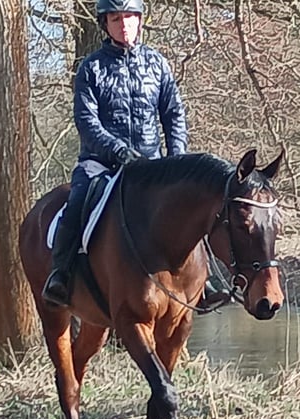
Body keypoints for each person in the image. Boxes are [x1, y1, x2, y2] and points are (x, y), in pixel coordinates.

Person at [42, 0, 188, 307]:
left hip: (151, 165)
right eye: (116, 18)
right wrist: (118, 150)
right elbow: (87, 122)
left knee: (192, 205)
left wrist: (177, 159)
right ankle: (61, 275)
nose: (124, 24)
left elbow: (174, 114)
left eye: (129, 17)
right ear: (105, 24)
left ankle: (204, 281)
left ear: (140, 20)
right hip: (101, 164)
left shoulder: (158, 64)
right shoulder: (91, 68)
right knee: (77, 203)